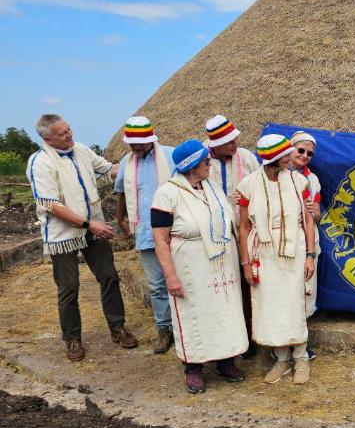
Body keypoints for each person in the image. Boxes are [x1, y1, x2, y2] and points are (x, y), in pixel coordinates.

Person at [26, 114, 136, 362]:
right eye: (63, 133)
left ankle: (117, 327)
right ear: (47, 138)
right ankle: (72, 339)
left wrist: (136, 163)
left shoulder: (82, 150)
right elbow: (51, 205)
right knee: (69, 287)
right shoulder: (40, 162)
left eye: (69, 129)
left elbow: (109, 170)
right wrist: (89, 225)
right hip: (63, 234)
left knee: (109, 276)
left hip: (93, 225)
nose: (70, 135)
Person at [151, 140, 248, 394]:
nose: (210, 164)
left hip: (222, 261)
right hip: (190, 263)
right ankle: (193, 367)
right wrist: (170, 276)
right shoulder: (167, 193)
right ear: (192, 165)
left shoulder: (212, 186)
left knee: (224, 311)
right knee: (194, 314)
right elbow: (160, 239)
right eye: (206, 161)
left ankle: (226, 361)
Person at [237, 135, 316, 385]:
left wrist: (310, 255)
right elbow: (243, 227)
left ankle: (301, 358)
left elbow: (308, 221)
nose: (291, 157)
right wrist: (245, 264)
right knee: (272, 304)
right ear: (274, 157)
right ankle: (281, 359)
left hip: (295, 250)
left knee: (295, 302)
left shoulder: (299, 181)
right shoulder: (248, 185)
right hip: (264, 253)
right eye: (285, 154)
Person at [114, 116, 176, 354]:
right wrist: (120, 216)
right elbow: (121, 190)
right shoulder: (127, 162)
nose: (135, 148)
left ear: (151, 139)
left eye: (139, 143)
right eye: (132, 144)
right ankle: (164, 329)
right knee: (157, 284)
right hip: (145, 232)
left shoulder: (170, 156)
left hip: (174, 231)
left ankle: (185, 327)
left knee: (180, 279)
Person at [204, 114, 260, 355]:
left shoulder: (246, 158)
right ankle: (226, 336)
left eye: (235, 140)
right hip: (216, 234)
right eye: (229, 142)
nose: (235, 144)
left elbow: (260, 185)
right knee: (223, 285)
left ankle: (249, 334)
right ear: (215, 146)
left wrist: (248, 196)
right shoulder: (203, 161)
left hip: (245, 229)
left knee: (247, 283)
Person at [289, 131, 322, 323]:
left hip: (308, 240)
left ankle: (302, 331)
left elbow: (317, 216)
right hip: (284, 238)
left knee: (306, 288)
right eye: (301, 150)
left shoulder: (313, 179)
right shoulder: (274, 173)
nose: (305, 156)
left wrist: (312, 210)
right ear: (291, 149)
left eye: (310, 153)